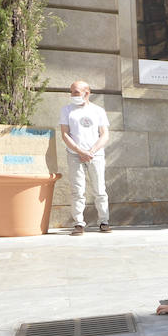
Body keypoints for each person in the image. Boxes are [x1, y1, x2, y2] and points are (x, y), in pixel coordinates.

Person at [59, 80, 111, 235]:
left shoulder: (98, 111)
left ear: (86, 93)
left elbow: (105, 134)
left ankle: (104, 221)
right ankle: (79, 224)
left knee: (100, 189)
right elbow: (65, 134)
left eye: (75, 92)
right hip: (74, 155)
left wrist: (91, 151)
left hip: (96, 155)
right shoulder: (67, 110)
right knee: (77, 190)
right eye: (71, 91)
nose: (72, 95)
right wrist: (79, 151)